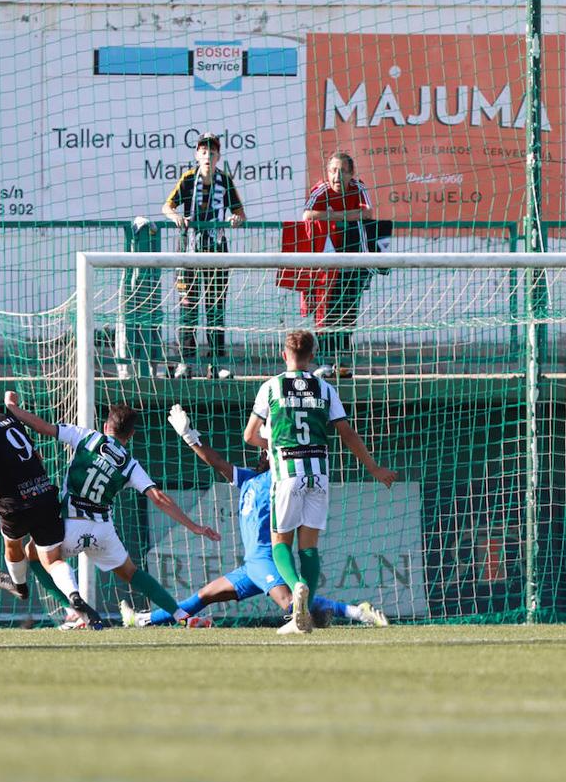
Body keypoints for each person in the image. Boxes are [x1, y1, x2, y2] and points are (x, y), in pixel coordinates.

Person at [118, 404, 390, 631]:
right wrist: (189, 436)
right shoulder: (249, 479)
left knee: (291, 607)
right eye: (264, 450)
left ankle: (357, 612)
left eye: (268, 450)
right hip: (251, 565)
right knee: (203, 596)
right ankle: (142, 619)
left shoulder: (281, 479)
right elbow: (217, 462)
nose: (263, 453)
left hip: (267, 559)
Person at [4, 393, 221, 626]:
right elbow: (158, 498)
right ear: (131, 435)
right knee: (132, 573)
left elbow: (44, 427)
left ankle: (73, 611)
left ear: (106, 426)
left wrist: (12, 408)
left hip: (70, 524)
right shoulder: (130, 463)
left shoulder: (86, 437)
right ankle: (182, 617)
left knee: (33, 557)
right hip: (102, 531)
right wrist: (194, 526)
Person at [243, 330, 398, 633]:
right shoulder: (325, 388)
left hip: (287, 473)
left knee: (279, 543)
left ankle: (297, 588)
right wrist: (374, 468)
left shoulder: (271, 387)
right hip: (319, 474)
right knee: (309, 548)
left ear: (283, 354)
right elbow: (347, 433)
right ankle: (304, 616)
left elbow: (250, 435)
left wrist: (273, 445)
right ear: (312, 356)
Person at [0, 382, 102, 627]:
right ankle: (74, 598)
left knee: (13, 544)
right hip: (44, 494)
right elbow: (38, 456)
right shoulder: (10, 420)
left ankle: (20, 587)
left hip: (13, 501)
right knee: (52, 560)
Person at [161, 132, 246, 379]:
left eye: (213, 151)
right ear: (197, 154)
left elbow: (240, 212)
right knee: (188, 307)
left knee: (215, 308)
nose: (208, 155)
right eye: (204, 151)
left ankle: (216, 364)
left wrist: (236, 218)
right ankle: (185, 363)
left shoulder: (225, 180)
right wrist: (175, 216)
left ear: (219, 155)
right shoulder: (188, 179)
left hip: (217, 251)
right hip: (189, 251)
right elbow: (167, 206)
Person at [302, 152, 374, 378]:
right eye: (333, 170)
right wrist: (341, 217)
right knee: (325, 312)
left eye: (342, 171)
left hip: (353, 261)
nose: (337, 176)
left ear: (351, 174)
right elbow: (307, 215)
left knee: (348, 312)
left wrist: (337, 215)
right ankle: (324, 362)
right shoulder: (321, 190)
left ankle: (341, 362)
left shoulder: (358, 188)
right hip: (326, 264)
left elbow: (367, 213)